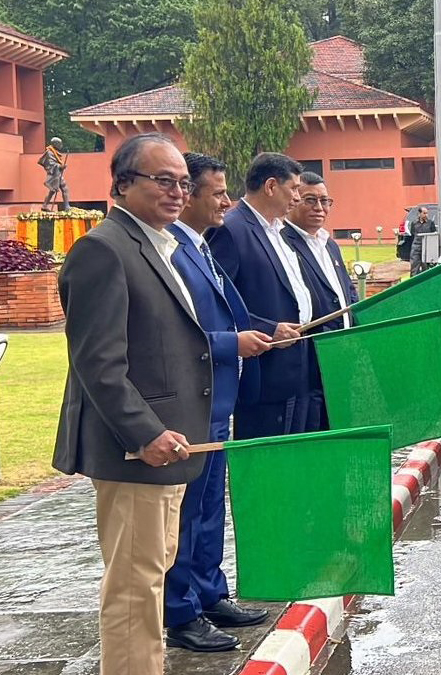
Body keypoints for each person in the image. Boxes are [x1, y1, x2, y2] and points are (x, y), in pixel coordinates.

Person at [53, 132, 208, 675]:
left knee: (152, 572)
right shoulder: (102, 249)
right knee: (134, 585)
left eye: (183, 183)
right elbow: (98, 364)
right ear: (121, 185)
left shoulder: (159, 245)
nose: (177, 192)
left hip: (168, 446)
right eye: (162, 180)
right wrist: (144, 432)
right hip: (135, 450)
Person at [163, 153, 272, 652]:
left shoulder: (200, 248)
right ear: (189, 196)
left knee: (209, 506)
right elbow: (176, 334)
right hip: (193, 399)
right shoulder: (174, 255)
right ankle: (181, 610)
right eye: (217, 192)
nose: (226, 202)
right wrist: (234, 344)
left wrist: (269, 331)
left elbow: (233, 311)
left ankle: (209, 592)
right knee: (188, 509)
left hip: (218, 398)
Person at [206, 152, 311, 439]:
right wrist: (267, 329)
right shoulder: (232, 229)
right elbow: (217, 302)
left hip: (295, 369)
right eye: (294, 189)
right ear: (271, 186)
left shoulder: (281, 231)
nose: (298, 198)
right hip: (263, 372)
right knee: (265, 466)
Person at [282, 171, 358, 431]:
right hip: (309, 363)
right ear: (293, 200)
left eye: (325, 201)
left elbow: (347, 292)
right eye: (310, 200)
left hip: (341, 359)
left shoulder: (329, 244)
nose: (319, 208)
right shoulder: (282, 244)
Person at [39, 136, 70, 211]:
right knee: (53, 190)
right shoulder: (49, 153)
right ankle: (45, 205)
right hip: (53, 174)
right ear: (56, 144)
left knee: (64, 188)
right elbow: (51, 164)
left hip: (57, 174)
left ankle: (66, 206)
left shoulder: (55, 152)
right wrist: (60, 166)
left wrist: (61, 166)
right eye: (60, 144)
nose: (61, 145)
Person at [409, 206, 437, 276]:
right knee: (414, 266)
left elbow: (433, 233)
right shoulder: (414, 223)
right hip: (416, 246)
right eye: (424, 213)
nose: (426, 215)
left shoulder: (430, 223)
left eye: (427, 213)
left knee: (425, 266)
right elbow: (412, 233)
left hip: (426, 246)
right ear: (419, 214)